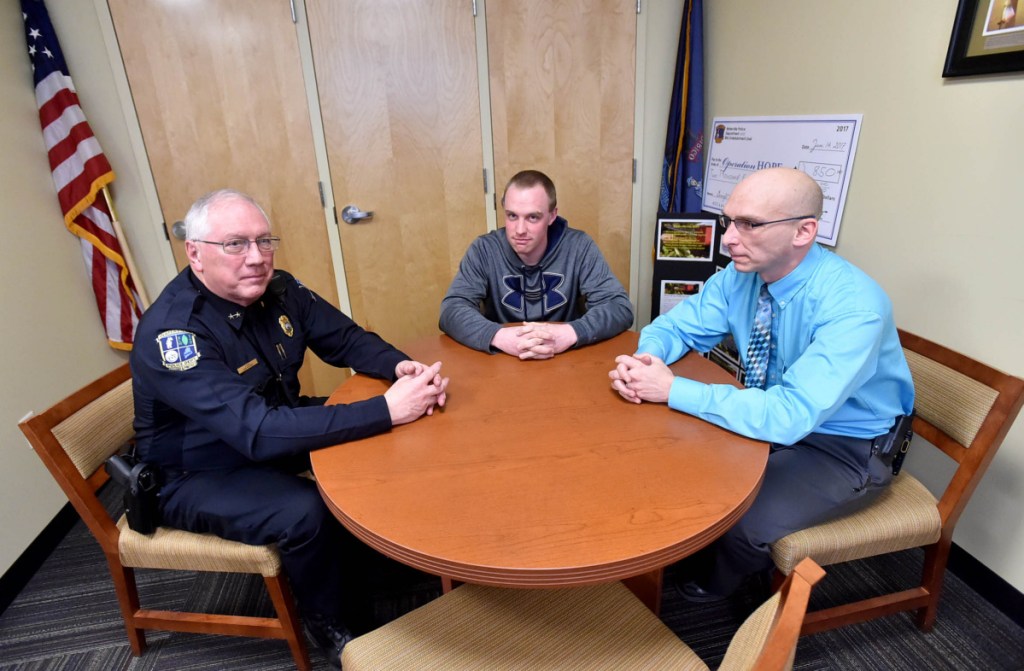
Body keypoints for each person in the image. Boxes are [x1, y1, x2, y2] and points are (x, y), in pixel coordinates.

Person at [130, 189, 449, 668]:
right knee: (306, 512)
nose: (256, 258)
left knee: (394, 432)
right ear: (194, 253)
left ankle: (396, 559)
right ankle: (336, 629)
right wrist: (386, 410)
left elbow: (346, 340)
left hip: (269, 427)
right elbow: (254, 431)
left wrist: (404, 371)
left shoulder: (279, 288)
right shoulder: (175, 335)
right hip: (196, 471)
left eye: (264, 241)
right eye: (235, 244)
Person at [608, 167, 914, 602]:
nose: (729, 238)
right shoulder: (741, 274)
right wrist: (648, 359)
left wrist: (672, 389)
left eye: (749, 225)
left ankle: (707, 587)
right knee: (667, 464)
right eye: (729, 221)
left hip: (843, 444)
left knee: (743, 523)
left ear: (804, 231)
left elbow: (788, 417)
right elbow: (677, 326)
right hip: (772, 411)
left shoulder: (854, 308)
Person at [439, 169, 633, 359]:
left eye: (533, 217)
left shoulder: (579, 246)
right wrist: (499, 336)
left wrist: (569, 333)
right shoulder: (484, 250)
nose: (520, 230)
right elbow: (452, 309)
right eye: (512, 216)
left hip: (565, 359)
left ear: (552, 215)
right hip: (502, 360)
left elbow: (618, 306)